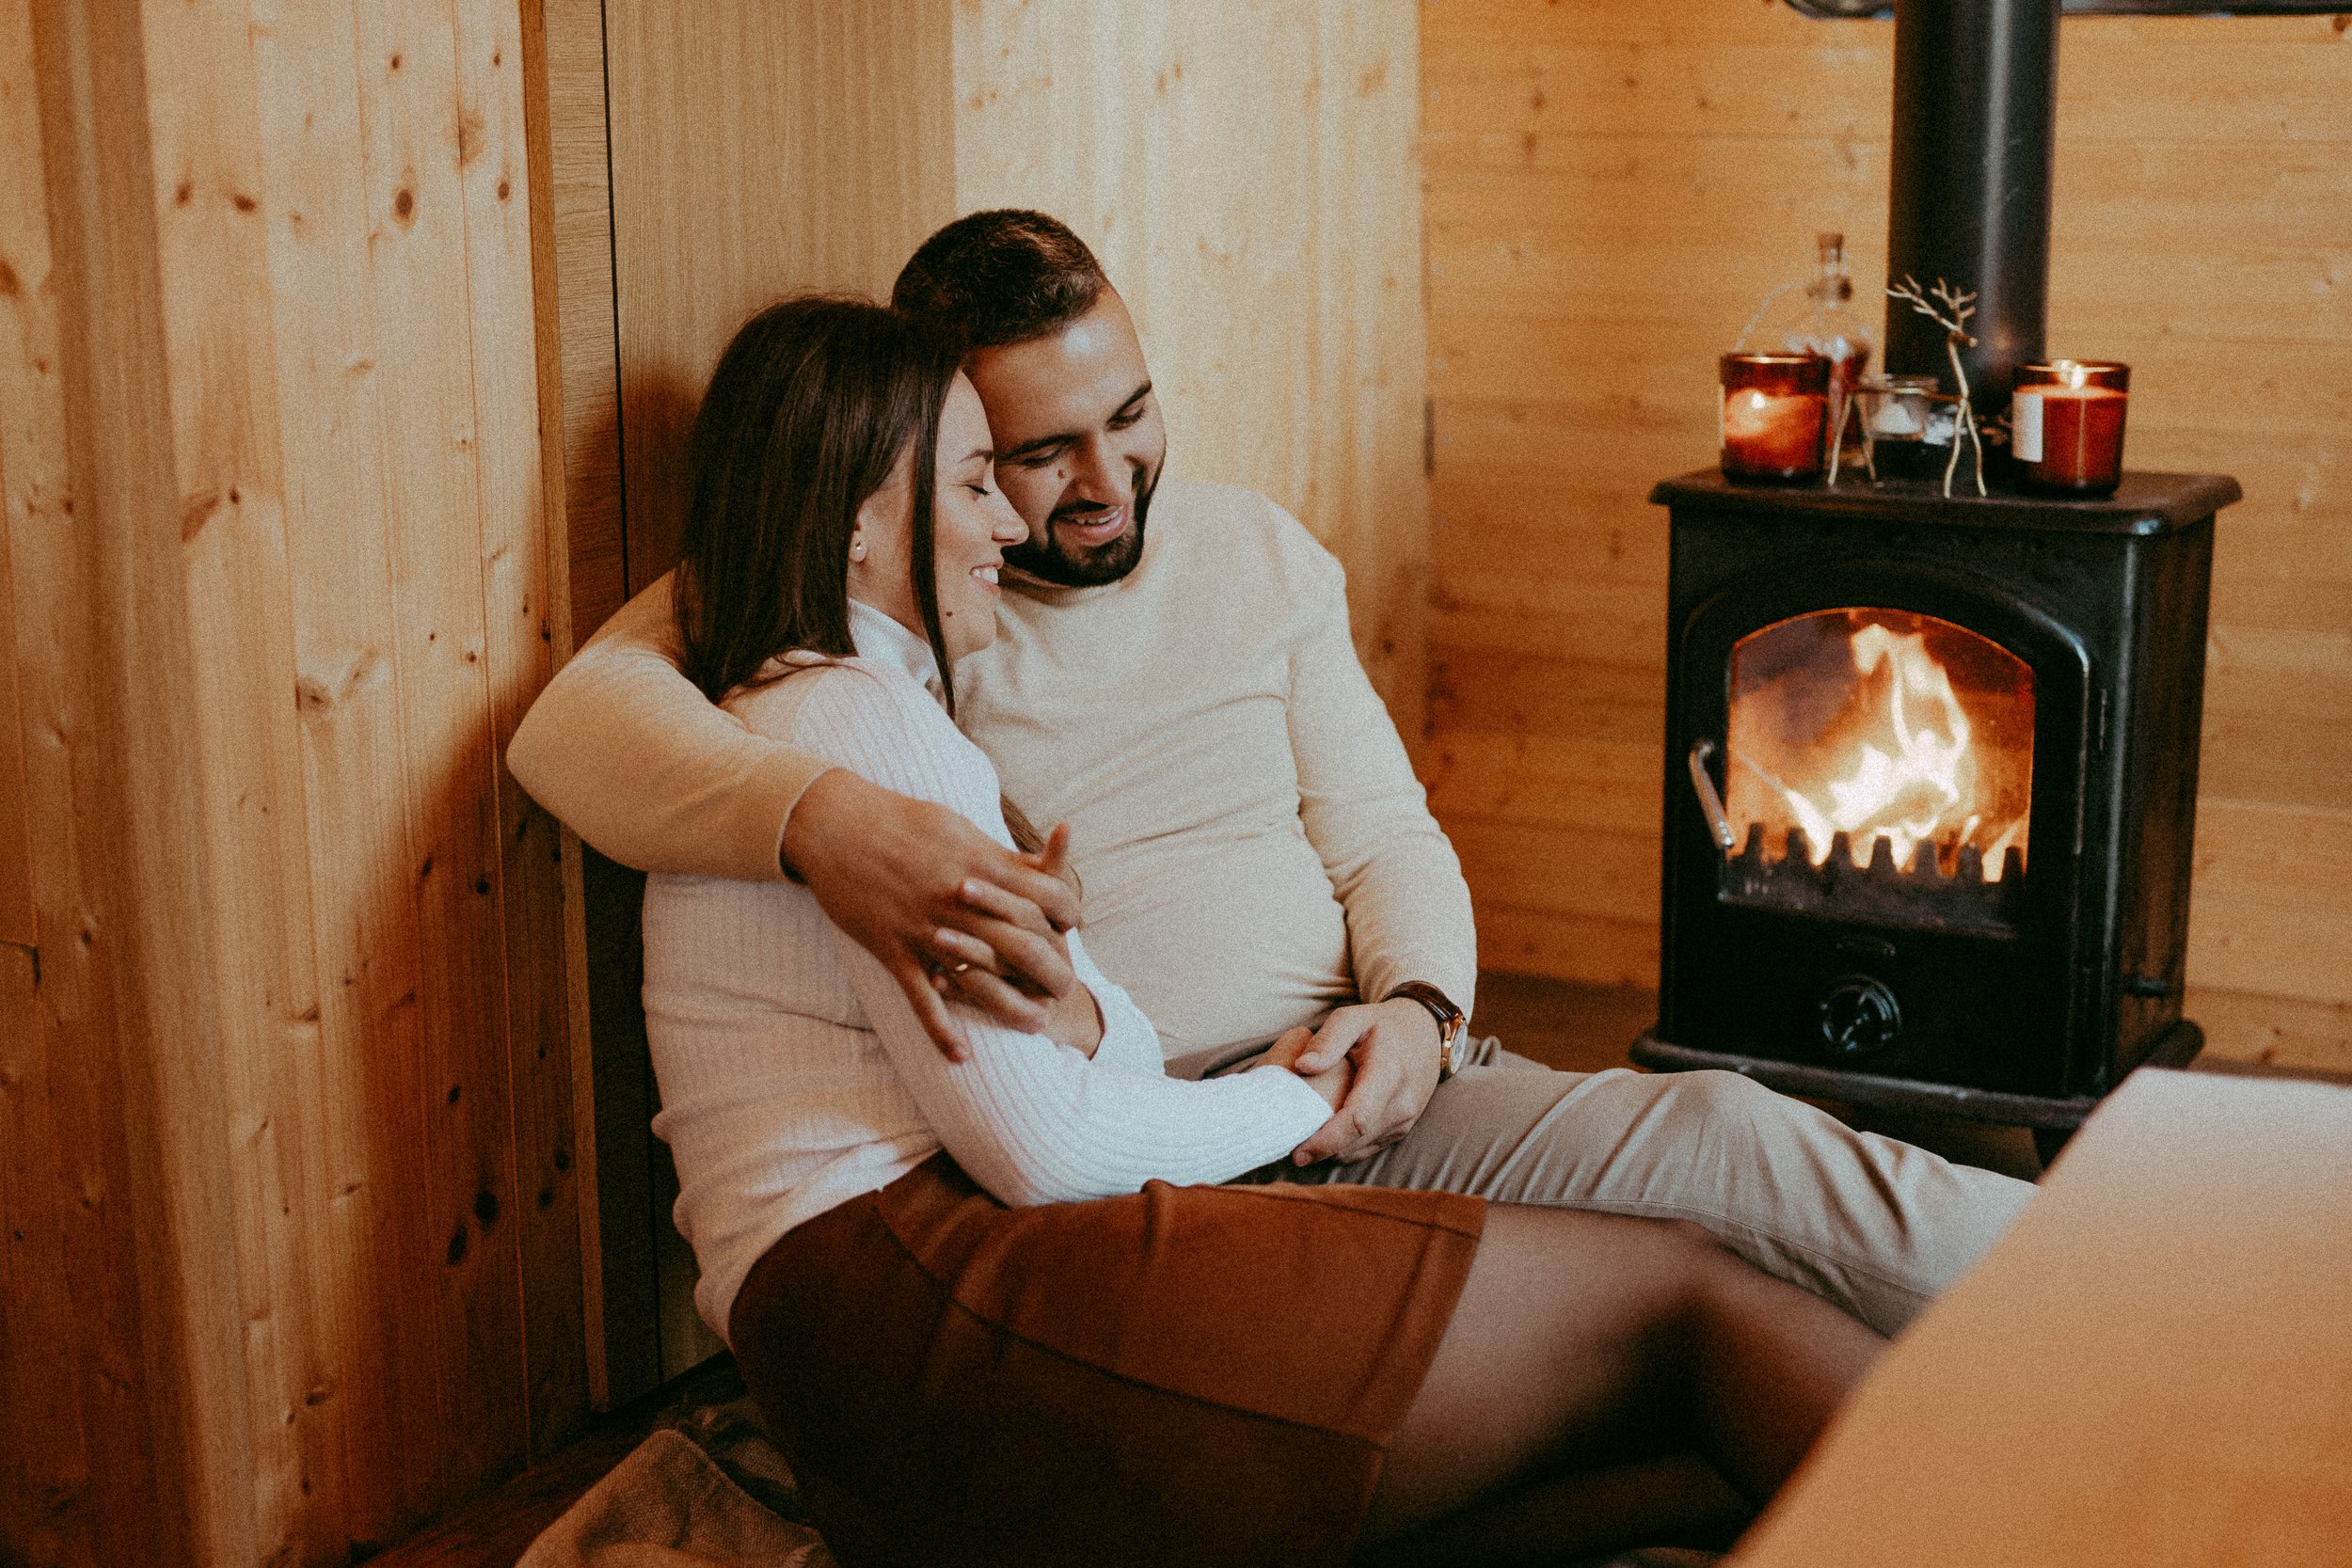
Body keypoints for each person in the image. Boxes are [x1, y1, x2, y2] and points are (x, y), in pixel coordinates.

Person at [507, 211, 2035, 1339]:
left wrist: (1420, 1018)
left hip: (1374, 1074)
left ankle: (2147, 1280)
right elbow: (574, 723)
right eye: (1034, 457)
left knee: (1738, 1144)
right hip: (1160, 1153)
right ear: (937, 451)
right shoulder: (899, 594)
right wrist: (827, 822)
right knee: (1710, 1280)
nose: (1106, 486)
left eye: (1131, 416)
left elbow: (1382, 835)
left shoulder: (1253, 553)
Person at [644, 294, 1881, 1567]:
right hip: (924, 1315)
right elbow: (1044, 1146)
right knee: (1687, 1302)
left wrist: (1101, 1011)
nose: (1010, 526)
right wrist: (1309, 1102)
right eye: (977, 483)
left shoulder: (820, 719)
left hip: (889, 1353)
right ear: (858, 526)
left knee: (1673, 1472)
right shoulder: (858, 728)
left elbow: (1072, 1078)